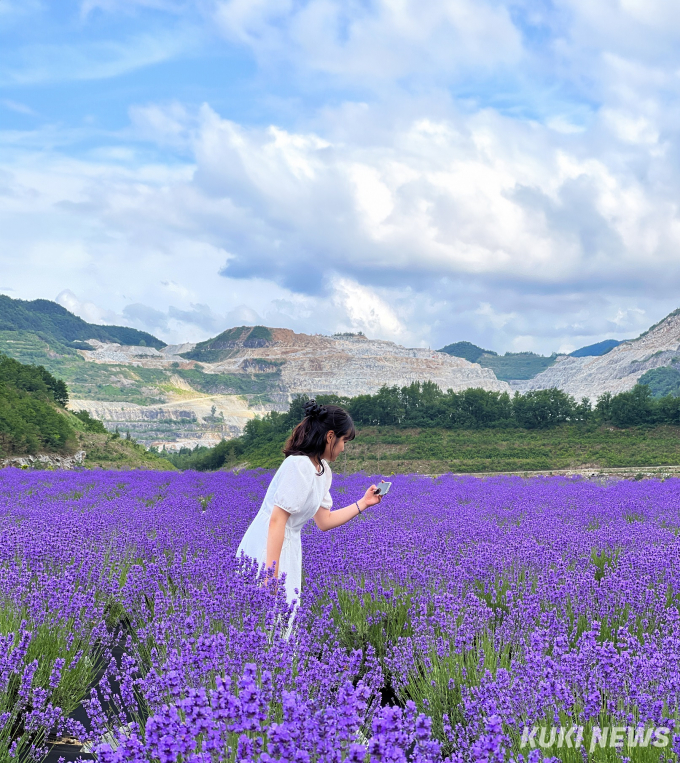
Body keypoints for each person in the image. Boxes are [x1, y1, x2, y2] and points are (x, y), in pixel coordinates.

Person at [236, 398, 383, 607]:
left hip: (290, 547)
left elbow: (324, 521)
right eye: (344, 441)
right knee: (264, 619)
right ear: (330, 436)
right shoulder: (299, 465)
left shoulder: (322, 471)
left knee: (281, 621)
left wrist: (364, 502)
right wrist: (270, 575)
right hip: (268, 546)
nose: (343, 448)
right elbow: (277, 521)